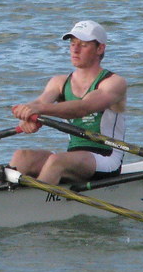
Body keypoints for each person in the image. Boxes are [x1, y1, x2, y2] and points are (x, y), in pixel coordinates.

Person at [10, 20, 127, 185]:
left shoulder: (114, 83)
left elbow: (82, 108)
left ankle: (35, 206)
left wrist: (39, 109)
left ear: (100, 48)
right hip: (75, 155)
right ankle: (1, 203)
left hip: (106, 158)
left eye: (83, 45)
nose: (75, 49)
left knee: (57, 161)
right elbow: (39, 102)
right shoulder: (59, 82)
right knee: (21, 157)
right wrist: (27, 118)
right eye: (72, 44)